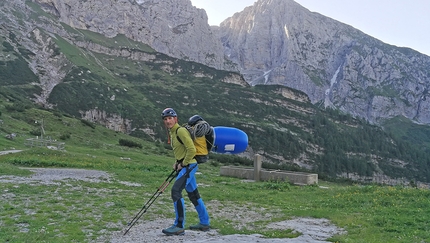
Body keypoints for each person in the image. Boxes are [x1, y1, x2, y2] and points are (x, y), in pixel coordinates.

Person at [160, 108, 210, 236]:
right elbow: (181, 150)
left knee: (176, 191)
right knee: (193, 194)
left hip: (189, 165)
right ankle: (204, 223)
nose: (168, 121)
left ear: (175, 119)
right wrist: (177, 162)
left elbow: (191, 150)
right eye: (165, 119)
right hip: (186, 165)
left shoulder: (180, 131)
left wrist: (183, 163)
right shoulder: (173, 132)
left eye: (170, 118)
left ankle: (179, 225)